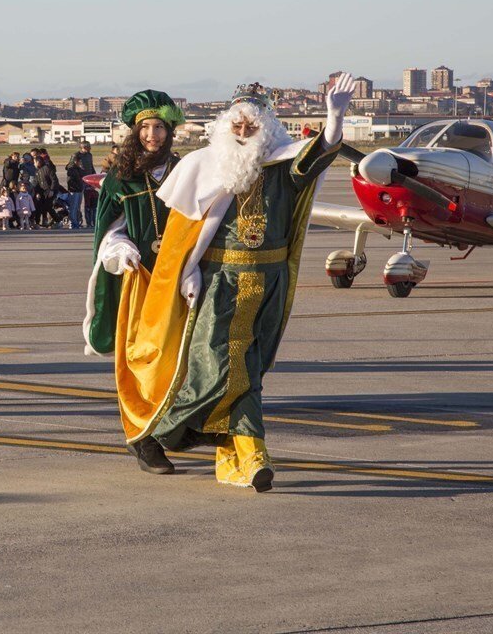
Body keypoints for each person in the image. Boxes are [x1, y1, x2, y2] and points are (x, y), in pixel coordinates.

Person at [108, 76, 356, 492]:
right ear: (225, 126)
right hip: (221, 284)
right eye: (237, 125)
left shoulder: (281, 165)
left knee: (246, 369)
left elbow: (316, 157)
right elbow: (182, 238)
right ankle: (249, 455)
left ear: (267, 129)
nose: (243, 132)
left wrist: (335, 118)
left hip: (269, 283)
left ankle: (212, 449)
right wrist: (188, 271)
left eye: (251, 125)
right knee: (231, 368)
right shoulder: (203, 166)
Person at [81, 90, 185, 473]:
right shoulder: (121, 179)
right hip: (140, 281)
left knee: (180, 360)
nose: (152, 135)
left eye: (159, 127)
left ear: (170, 131)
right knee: (141, 362)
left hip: (181, 280)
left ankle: (173, 428)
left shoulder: (184, 172)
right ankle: (142, 438)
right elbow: (109, 231)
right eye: (145, 128)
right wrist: (121, 249)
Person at [64, 153, 85, 229]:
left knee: (77, 208)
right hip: (74, 190)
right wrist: (75, 187)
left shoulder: (77, 168)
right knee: (73, 207)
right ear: (75, 160)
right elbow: (70, 181)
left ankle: (76, 222)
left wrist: (81, 168)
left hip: (79, 190)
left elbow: (82, 175)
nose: (80, 162)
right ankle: (72, 223)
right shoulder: (71, 169)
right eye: (79, 161)